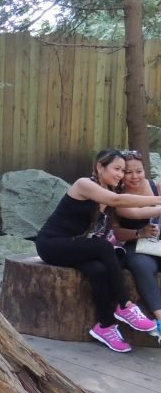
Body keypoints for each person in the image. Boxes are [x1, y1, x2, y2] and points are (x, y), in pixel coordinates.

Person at [35, 148, 161, 353]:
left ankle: (105, 326)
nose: (120, 175)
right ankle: (125, 305)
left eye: (123, 170)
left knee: (98, 270)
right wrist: (158, 200)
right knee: (103, 247)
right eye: (117, 169)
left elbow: (132, 209)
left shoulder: (110, 192)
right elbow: (117, 201)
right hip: (52, 244)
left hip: (77, 246)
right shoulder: (84, 184)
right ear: (100, 167)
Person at [112, 150, 161, 341]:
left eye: (139, 171)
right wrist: (138, 233)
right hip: (137, 247)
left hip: (158, 244)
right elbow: (116, 232)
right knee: (141, 267)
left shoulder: (156, 187)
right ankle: (159, 318)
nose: (135, 177)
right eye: (128, 172)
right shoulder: (117, 196)